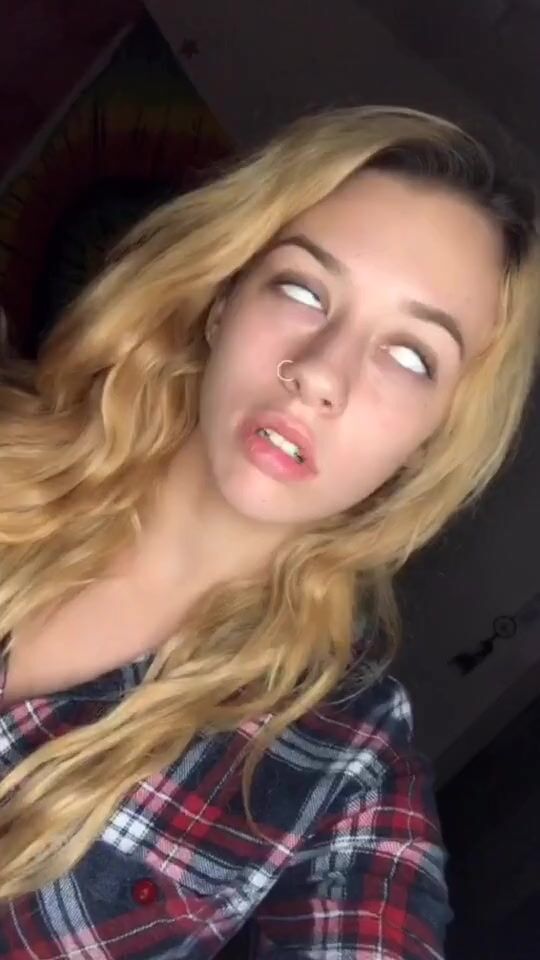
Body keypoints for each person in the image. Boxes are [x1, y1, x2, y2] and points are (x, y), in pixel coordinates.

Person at [0, 105, 538, 960]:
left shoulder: (341, 771)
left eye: (410, 356)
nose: (322, 374)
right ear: (225, 300)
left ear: (433, 437)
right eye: (303, 290)